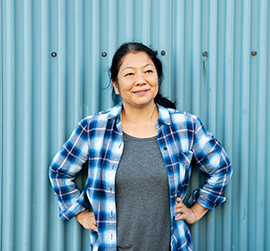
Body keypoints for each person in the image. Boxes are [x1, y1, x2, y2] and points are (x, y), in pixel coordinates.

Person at [49, 42, 232, 251]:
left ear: (157, 79)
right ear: (116, 86)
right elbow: (59, 171)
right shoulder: (94, 128)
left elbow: (221, 167)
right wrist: (80, 214)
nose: (140, 80)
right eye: (129, 74)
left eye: (148, 71)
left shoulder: (184, 126)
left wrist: (196, 211)